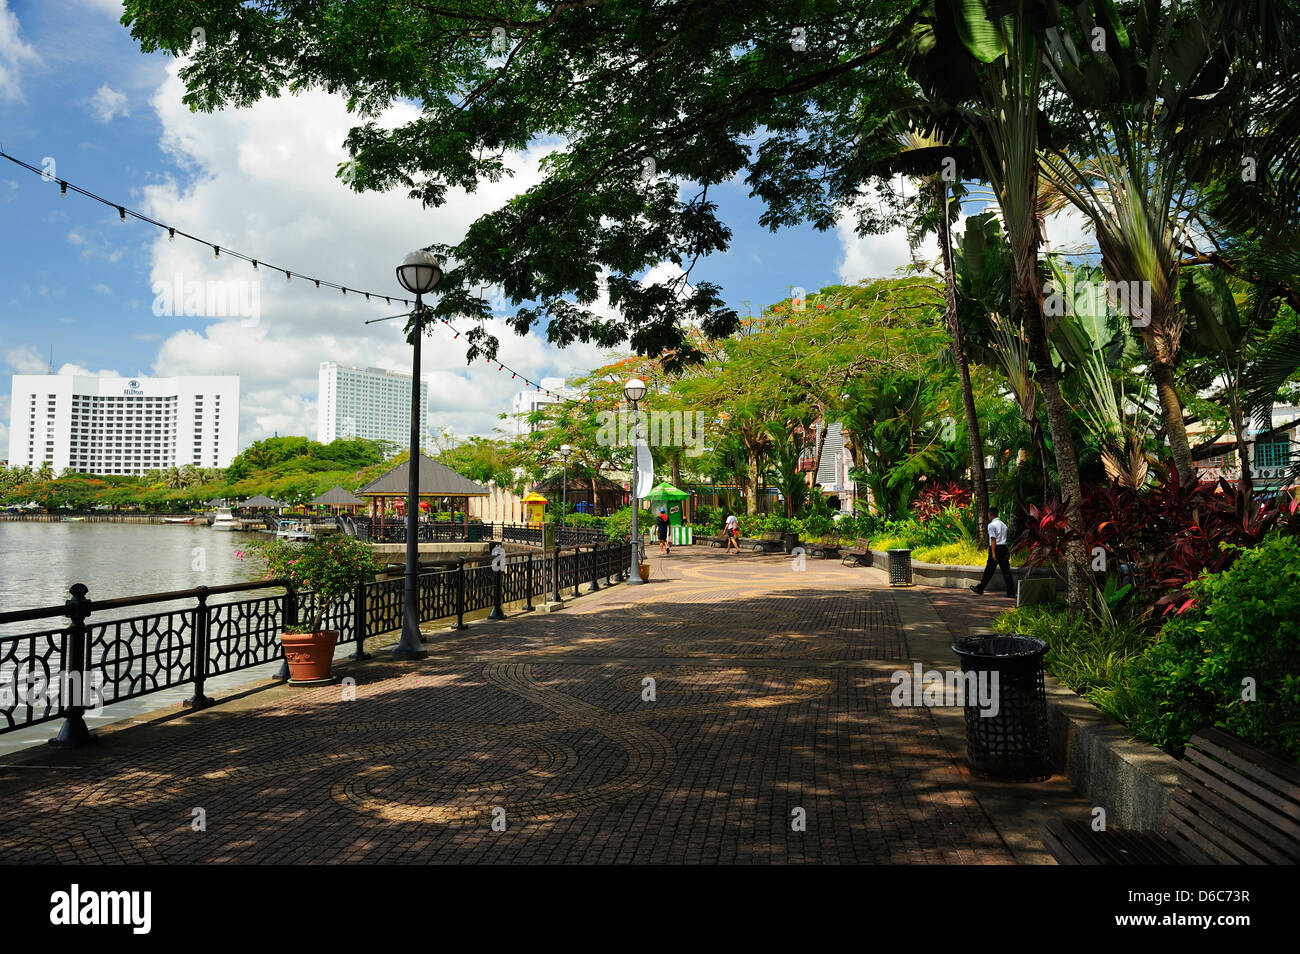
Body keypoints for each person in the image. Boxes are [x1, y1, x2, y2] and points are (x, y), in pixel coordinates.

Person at [970, 508, 1016, 598]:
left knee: (989, 570)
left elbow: (993, 539)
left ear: (990, 515)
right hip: (1004, 548)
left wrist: (993, 553)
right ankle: (1011, 592)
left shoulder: (991, 525)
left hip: (996, 548)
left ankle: (980, 588)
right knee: (1006, 571)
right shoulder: (1004, 525)